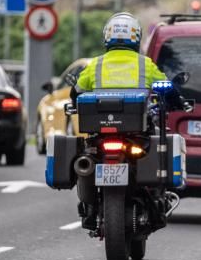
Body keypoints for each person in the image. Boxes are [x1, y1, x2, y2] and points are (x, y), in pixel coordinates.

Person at [71, 12, 169, 229]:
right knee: (155, 149)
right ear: (136, 37)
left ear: (107, 37)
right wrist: (176, 99)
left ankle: (88, 209)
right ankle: (155, 198)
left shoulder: (95, 65)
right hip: (136, 136)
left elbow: (76, 92)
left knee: (85, 157)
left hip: (100, 135)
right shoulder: (146, 64)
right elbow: (166, 88)